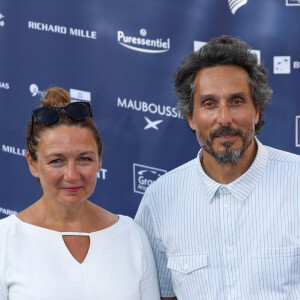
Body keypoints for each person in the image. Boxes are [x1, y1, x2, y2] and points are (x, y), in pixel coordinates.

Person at [135, 35, 300, 300]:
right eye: (209, 104)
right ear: (191, 117)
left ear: (256, 111)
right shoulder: (159, 200)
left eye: (236, 101)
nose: (224, 118)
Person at [0, 87, 160, 300]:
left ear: (100, 158)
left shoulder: (132, 237)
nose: (72, 174)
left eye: (84, 159)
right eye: (57, 160)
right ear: (33, 163)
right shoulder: (6, 241)